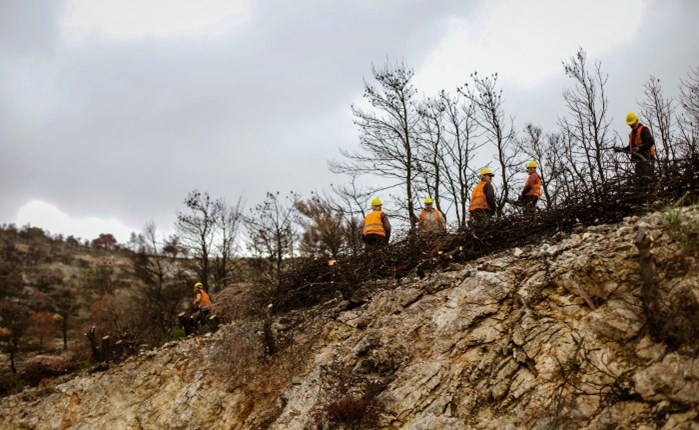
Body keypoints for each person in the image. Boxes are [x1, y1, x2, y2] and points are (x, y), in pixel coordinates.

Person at [620, 112, 656, 182]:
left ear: (636, 120)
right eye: (630, 124)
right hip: (639, 160)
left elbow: (650, 142)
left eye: (632, 123)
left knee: (647, 179)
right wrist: (621, 149)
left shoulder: (643, 129)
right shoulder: (632, 134)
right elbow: (630, 148)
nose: (631, 125)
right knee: (639, 180)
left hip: (647, 159)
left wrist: (640, 148)